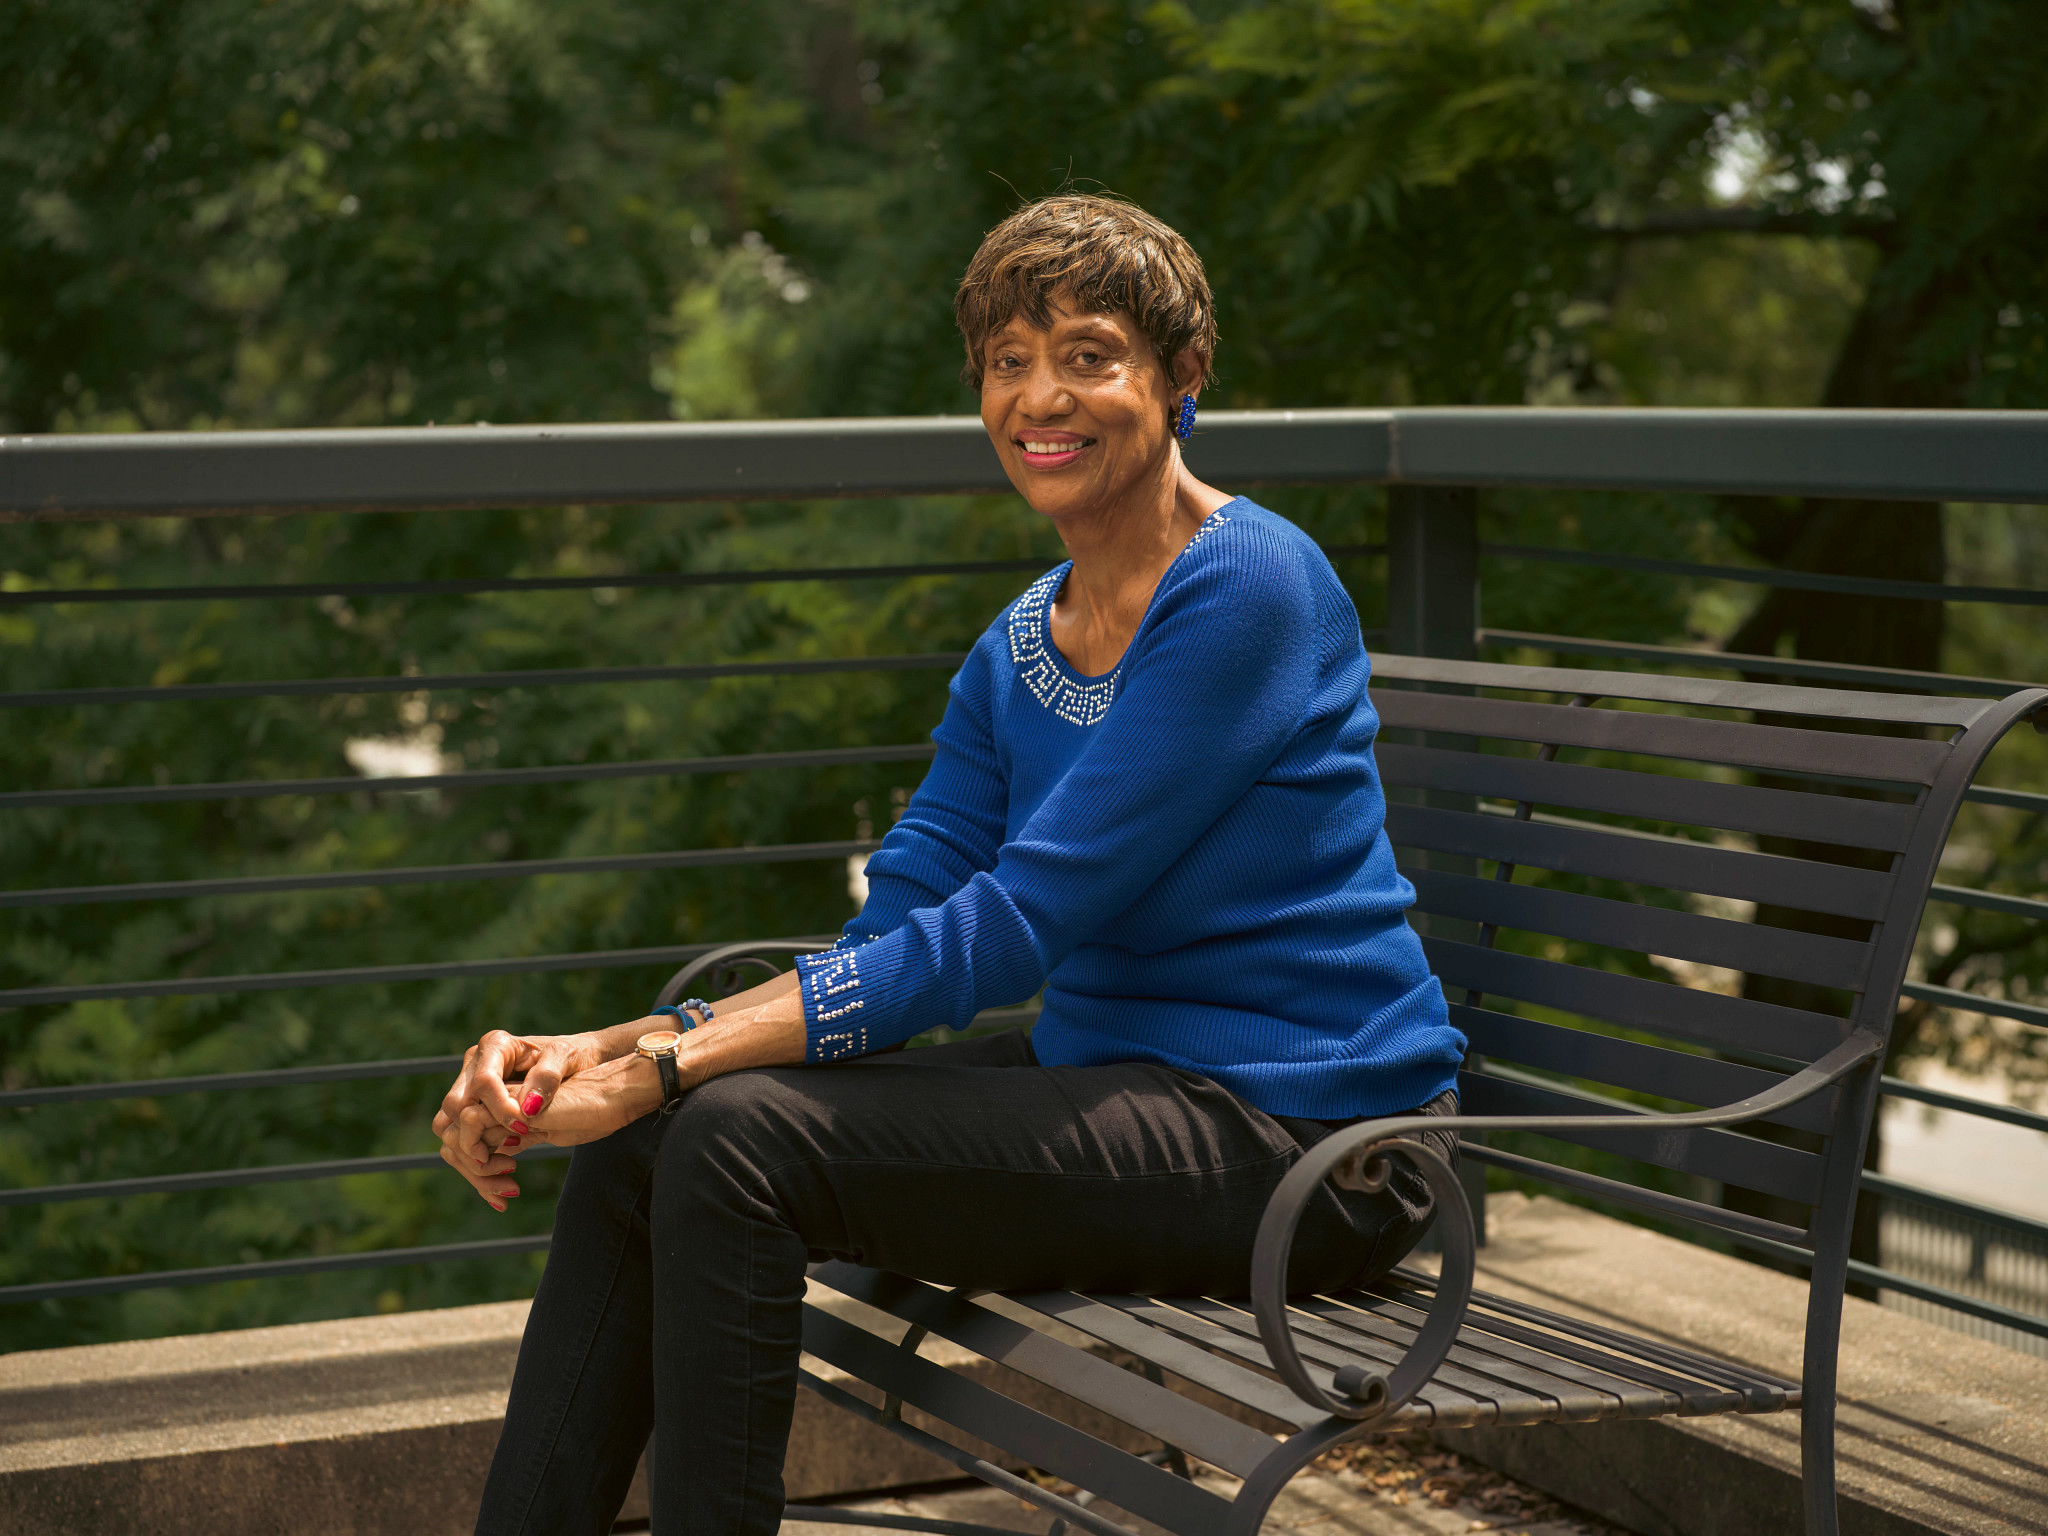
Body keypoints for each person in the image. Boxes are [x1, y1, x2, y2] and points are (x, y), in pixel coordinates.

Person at [433, 194, 1467, 1536]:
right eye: (1008, 360)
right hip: (1125, 1083)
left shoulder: (1251, 588)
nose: (1043, 395)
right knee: (652, 1138)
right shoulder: (1021, 643)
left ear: (1181, 377)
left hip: (1319, 1144)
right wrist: (609, 1051)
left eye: (1089, 353)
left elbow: (1015, 927)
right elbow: (909, 915)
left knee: (737, 1136)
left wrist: (672, 1059)